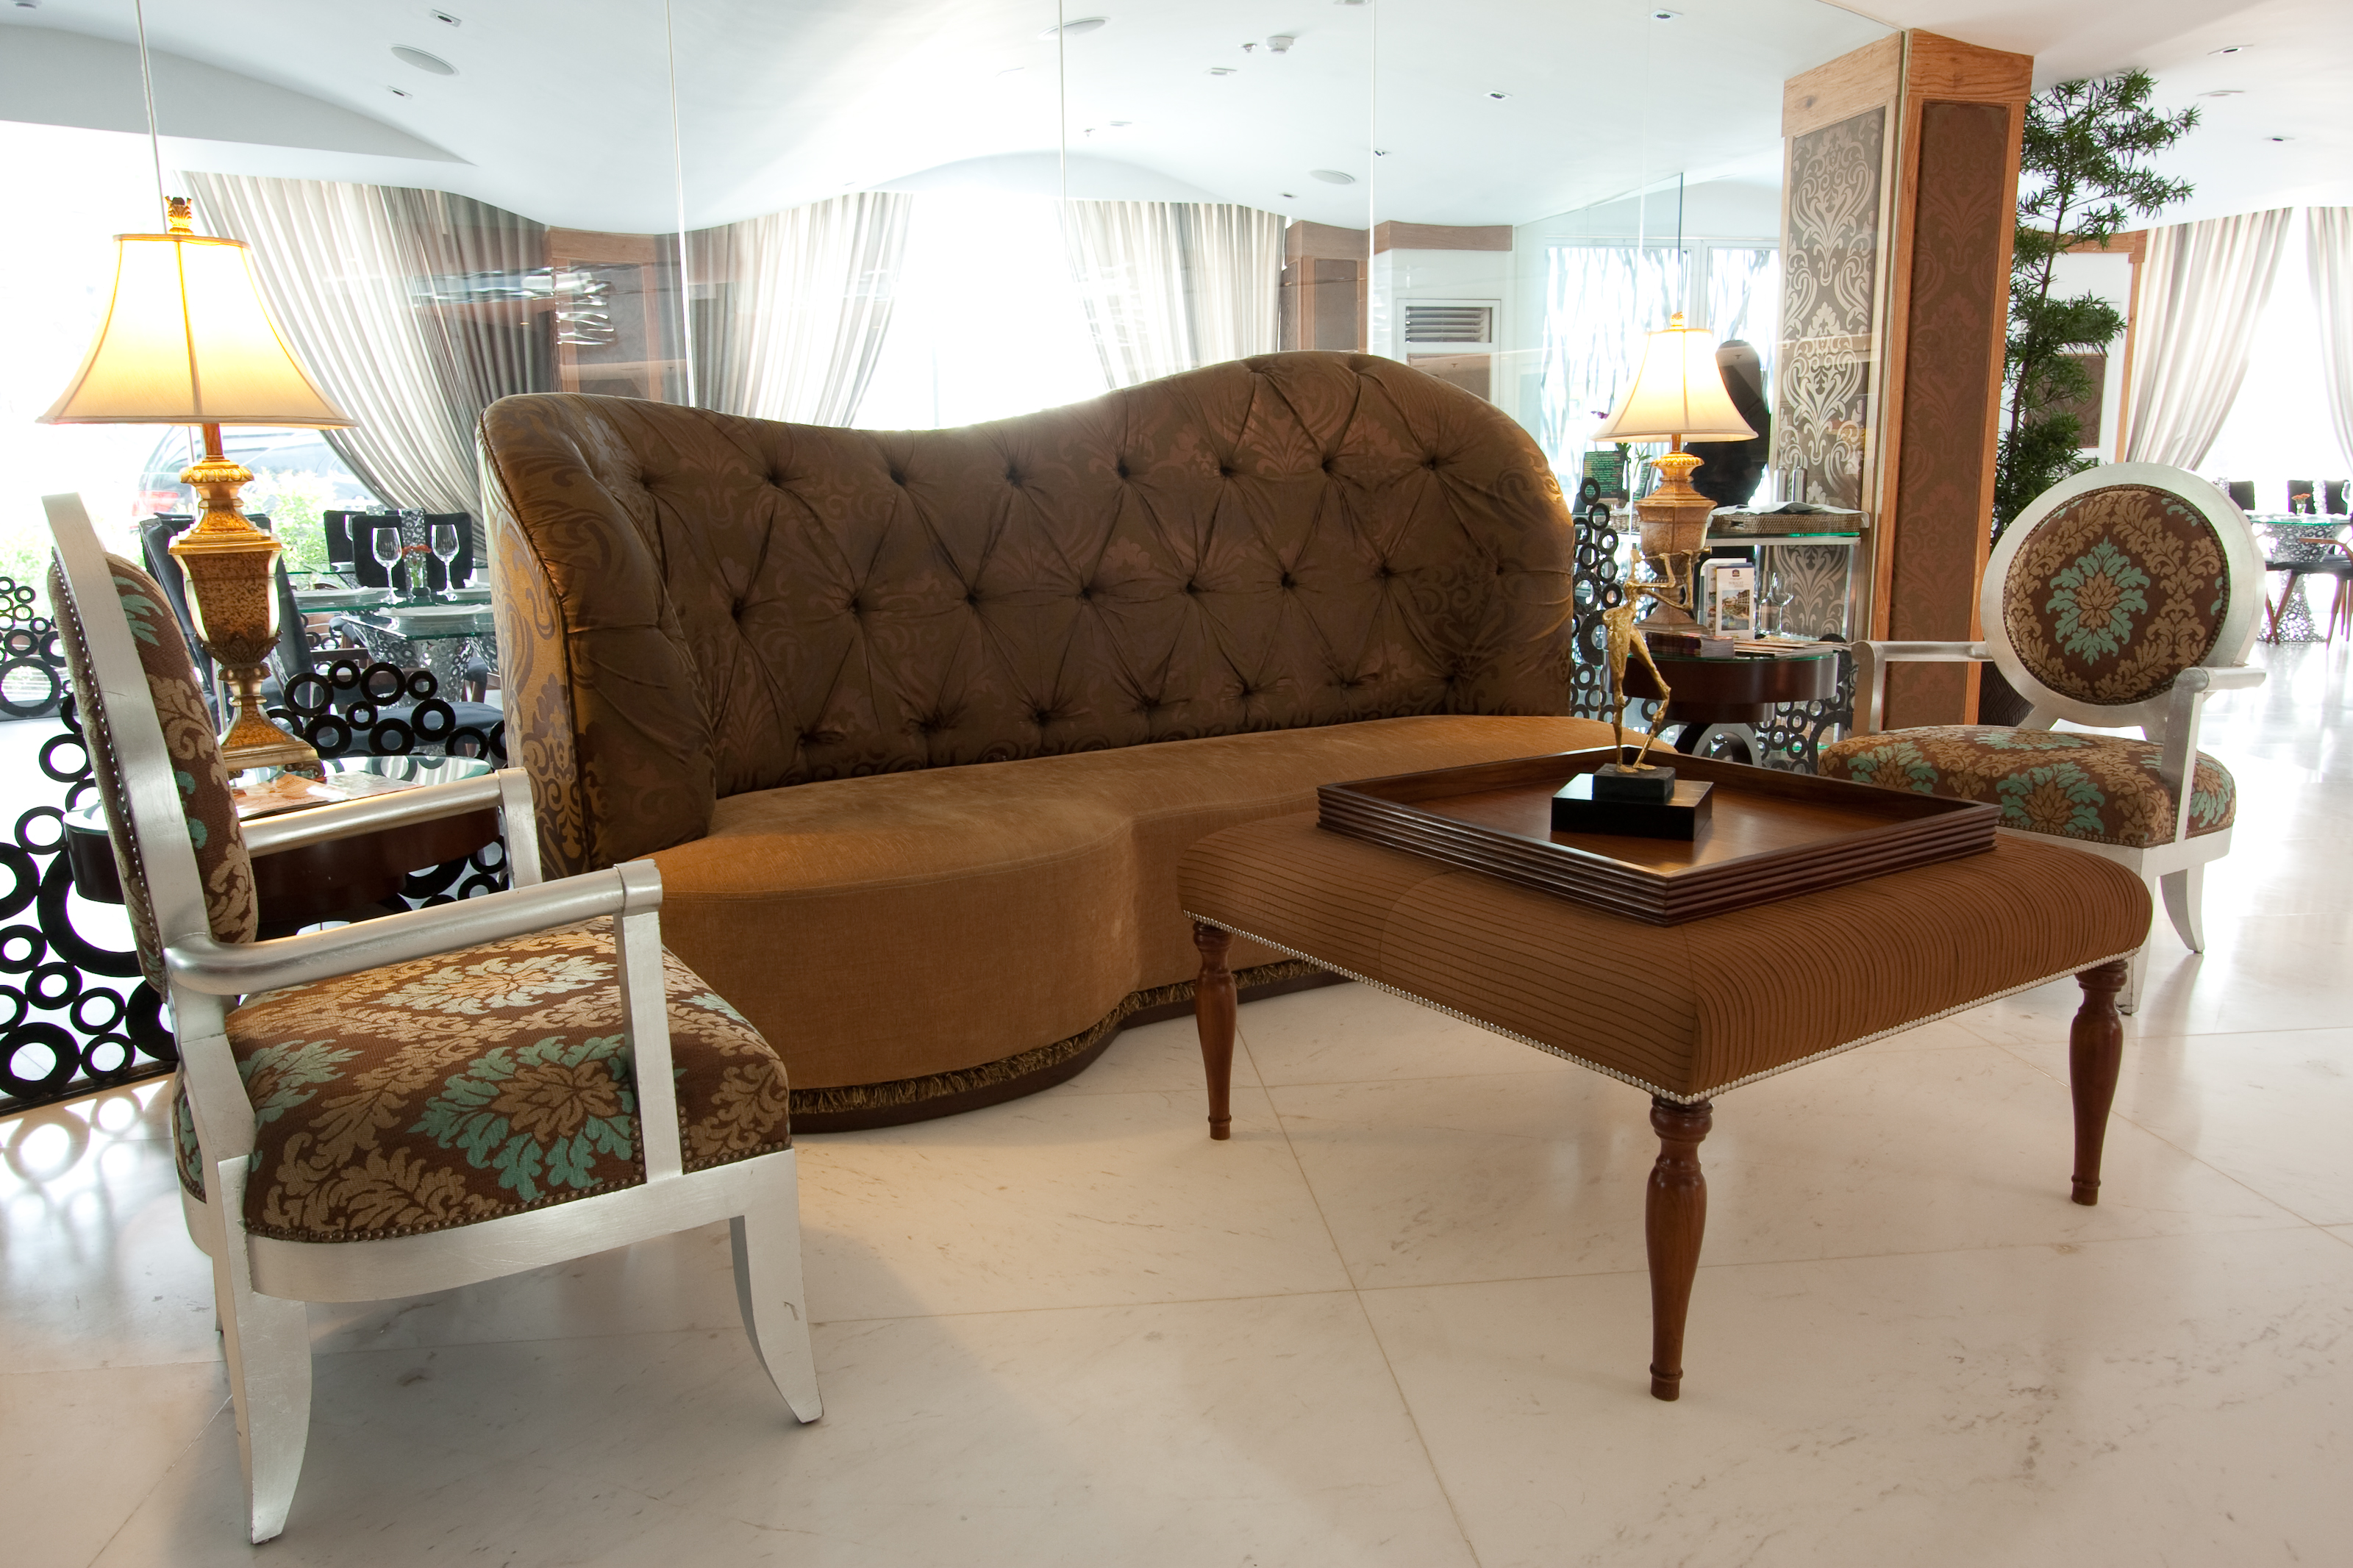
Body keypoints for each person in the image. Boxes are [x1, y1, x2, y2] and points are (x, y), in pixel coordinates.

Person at [1692, 340, 1770, 510]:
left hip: (1725, 510)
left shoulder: (1757, 422)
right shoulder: (1710, 416)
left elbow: (1746, 473)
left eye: (1719, 372)